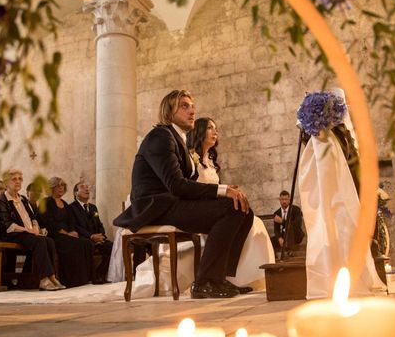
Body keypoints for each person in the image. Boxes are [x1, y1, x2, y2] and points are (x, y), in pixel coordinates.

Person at [113, 90, 253, 299]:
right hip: (157, 206)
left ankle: (219, 278)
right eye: (184, 106)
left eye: (192, 106)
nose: (192, 111)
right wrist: (223, 191)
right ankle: (205, 282)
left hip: (172, 203)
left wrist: (224, 193)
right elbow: (176, 185)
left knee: (244, 210)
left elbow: (188, 184)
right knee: (231, 208)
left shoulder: (179, 139)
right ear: (169, 112)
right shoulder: (160, 136)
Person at [298, 89, 385, 299]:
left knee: (345, 227)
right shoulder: (321, 142)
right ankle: (339, 275)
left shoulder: (339, 138)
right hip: (332, 196)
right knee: (336, 226)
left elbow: (351, 170)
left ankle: (350, 273)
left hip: (343, 194)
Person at [188, 117, 275, 288]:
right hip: (199, 209)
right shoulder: (191, 158)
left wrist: (228, 190)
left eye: (216, 128)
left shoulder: (211, 162)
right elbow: (191, 189)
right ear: (199, 131)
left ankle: (227, 275)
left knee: (248, 215)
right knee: (246, 218)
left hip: (214, 206)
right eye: (210, 128)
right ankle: (222, 278)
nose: (215, 132)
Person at [0, 169, 65, 291]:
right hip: (13, 233)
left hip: (28, 233)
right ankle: (44, 279)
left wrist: (34, 227)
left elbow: (33, 216)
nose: (18, 181)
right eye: (14, 179)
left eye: (20, 179)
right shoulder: (3, 199)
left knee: (49, 241)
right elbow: (6, 223)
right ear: (7, 182)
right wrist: (27, 230)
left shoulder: (23, 198)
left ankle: (52, 276)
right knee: (39, 241)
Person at [40, 177, 95, 287]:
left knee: (87, 243)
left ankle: (87, 278)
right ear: (52, 188)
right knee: (76, 244)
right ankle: (72, 280)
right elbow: (47, 221)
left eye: (62, 186)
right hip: (55, 235)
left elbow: (71, 222)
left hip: (68, 234)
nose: (61, 188)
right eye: (58, 186)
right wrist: (65, 233)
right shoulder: (47, 201)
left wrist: (73, 231)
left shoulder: (65, 204)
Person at [70, 181, 112, 283]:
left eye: (87, 187)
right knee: (88, 245)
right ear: (76, 193)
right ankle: (92, 277)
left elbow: (99, 223)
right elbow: (76, 226)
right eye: (82, 187)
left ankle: (100, 274)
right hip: (84, 239)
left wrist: (101, 236)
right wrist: (91, 236)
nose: (87, 189)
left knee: (112, 246)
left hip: (97, 238)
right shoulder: (72, 207)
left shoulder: (93, 207)